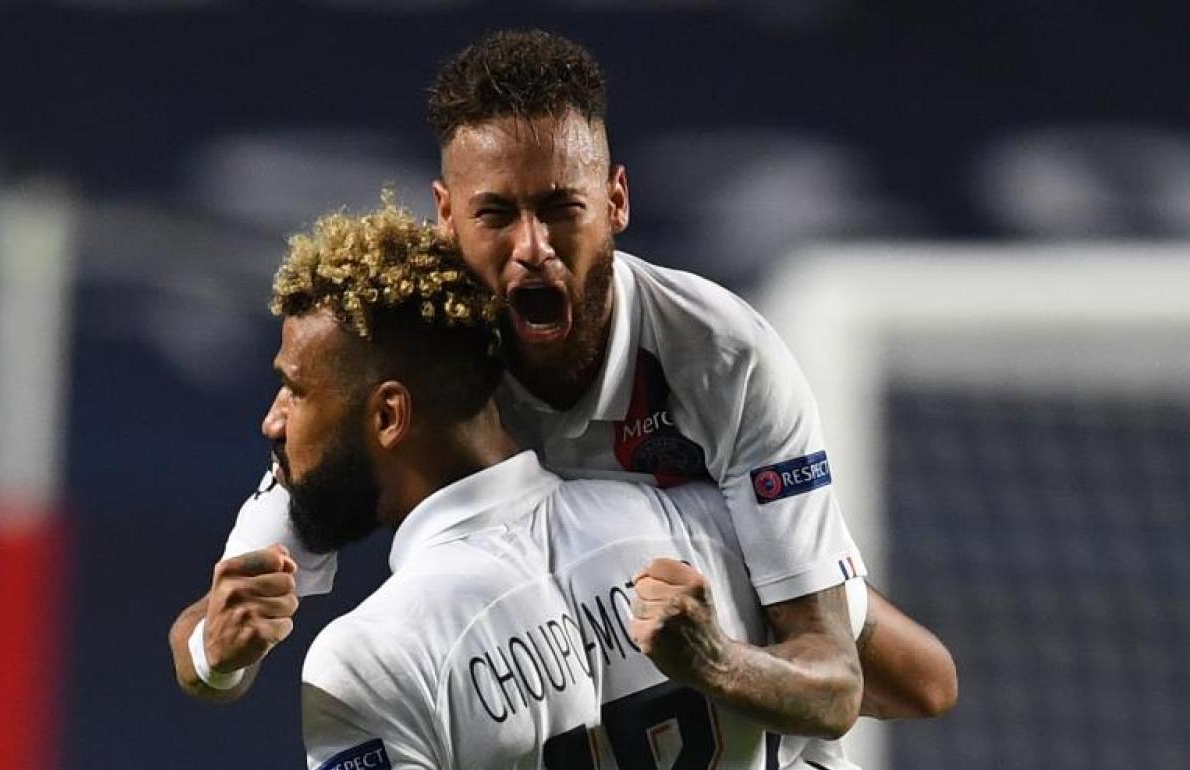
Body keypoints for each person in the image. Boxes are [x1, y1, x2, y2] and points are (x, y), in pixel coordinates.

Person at [168, 28, 955, 723]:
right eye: (497, 214)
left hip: (695, 567)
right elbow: (209, 645)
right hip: (533, 608)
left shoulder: (721, 355)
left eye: (560, 208)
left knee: (923, 680)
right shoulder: (425, 339)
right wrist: (218, 652)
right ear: (445, 216)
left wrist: (712, 657)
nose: (532, 247)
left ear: (615, 202)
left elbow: (833, 686)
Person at [270, 204, 866, 769]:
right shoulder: (713, 526)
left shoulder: (365, 662)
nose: (272, 422)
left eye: (295, 391)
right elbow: (905, 684)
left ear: (389, 417)